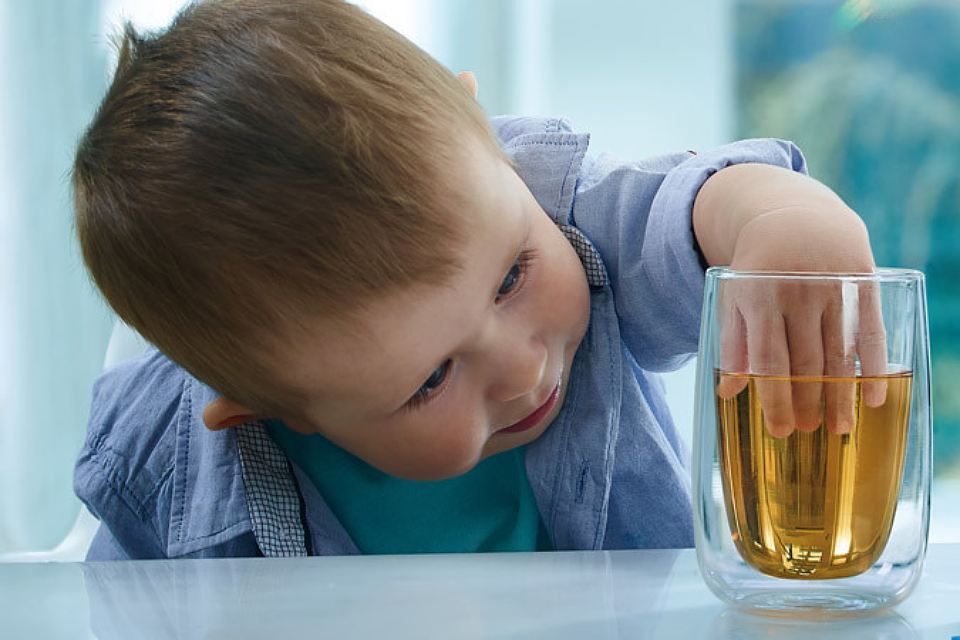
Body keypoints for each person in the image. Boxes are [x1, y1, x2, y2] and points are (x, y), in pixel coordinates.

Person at [72, 0, 880, 560]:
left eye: (510, 279)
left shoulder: (556, 210)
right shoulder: (161, 478)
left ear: (483, 135)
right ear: (270, 408)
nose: (523, 366)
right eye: (429, 379)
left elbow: (683, 207)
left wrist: (778, 220)